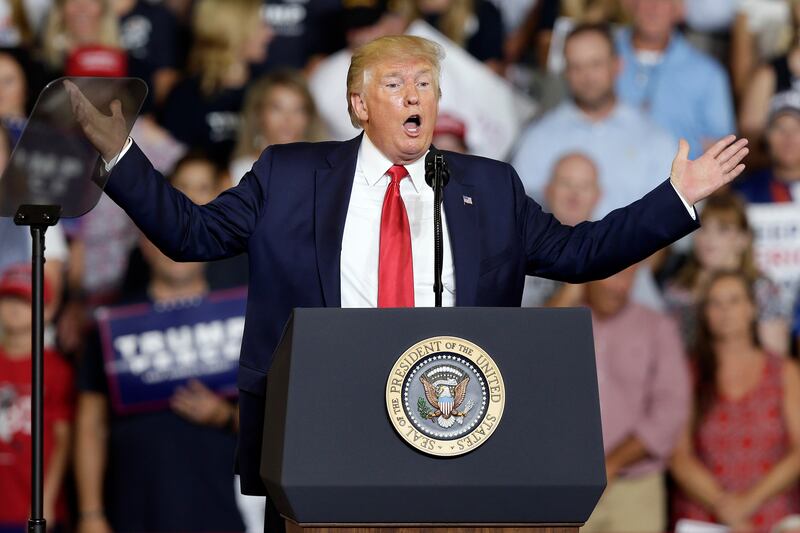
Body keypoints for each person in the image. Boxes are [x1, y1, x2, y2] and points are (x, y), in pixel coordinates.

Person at [65, 34, 749, 529]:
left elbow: (582, 252)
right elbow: (190, 235)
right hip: (321, 432)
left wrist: (675, 199)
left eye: (425, 83)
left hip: (452, 433)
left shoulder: (488, 187)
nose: (415, 95)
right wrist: (120, 155)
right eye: (395, 84)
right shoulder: (289, 176)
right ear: (359, 104)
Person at [73, 169, 248, 533]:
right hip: (131, 515)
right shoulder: (111, 323)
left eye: (181, 231)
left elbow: (279, 418)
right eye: (161, 232)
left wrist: (224, 416)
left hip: (220, 513)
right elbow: (90, 424)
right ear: (142, 240)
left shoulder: (244, 318)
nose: (171, 246)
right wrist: (90, 514)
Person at [671, 271, 800, 532]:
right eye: (715, 303)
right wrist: (725, 507)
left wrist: (748, 502)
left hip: (772, 514)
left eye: (734, 301)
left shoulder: (784, 372)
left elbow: (798, 452)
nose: (725, 312)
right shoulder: (689, 373)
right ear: (704, 313)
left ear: (751, 308)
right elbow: (678, 456)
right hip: (706, 514)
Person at [512, 22, 676, 218]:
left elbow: (669, 220)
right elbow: (518, 212)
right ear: (566, 72)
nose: (587, 76)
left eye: (595, 64)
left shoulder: (655, 139)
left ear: (618, 65)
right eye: (576, 67)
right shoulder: (538, 137)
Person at [582, 265, 690, 533]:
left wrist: (613, 462)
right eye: (611, 275)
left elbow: (671, 409)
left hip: (635, 487)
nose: (619, 287)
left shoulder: (658, 327)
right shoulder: (559, 319)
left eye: (628, 276)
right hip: (569, 485)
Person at [663, 192, 791, 355]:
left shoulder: (761, 289)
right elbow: (667, 353)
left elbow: (775, 357)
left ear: (743, 239)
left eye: (722, 229)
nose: (709, 238)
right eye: (703, 228)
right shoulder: (678, 290)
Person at [615, 0, 736, 161]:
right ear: (629, 3)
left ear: (679, 10)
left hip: (678, 175)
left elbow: (722, 149)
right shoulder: (598, 59)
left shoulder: (708, 73)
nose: (653, 8)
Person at [0, 265, 73, 530]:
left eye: (25, 301)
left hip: (33, 508)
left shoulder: (56, 369)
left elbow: (63, 440)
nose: (14, 308)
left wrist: (45, 501)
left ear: (47, 310)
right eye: (8, 298)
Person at [159, 0, 273, 166]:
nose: (270, 33)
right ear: (234, 30)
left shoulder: (268, 89)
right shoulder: (186, 97)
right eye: (261, 25)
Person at [230, 70, 325, 186]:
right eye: (277, 108)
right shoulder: (239, 173)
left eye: (298, 109)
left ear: (308, 117)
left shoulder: (324, 170)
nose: (288, 119)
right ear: (259, 113)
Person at [735, 91, 800, 203]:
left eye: (796, 129)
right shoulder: (745, 192)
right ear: (766, 136)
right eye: (780, 128)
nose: (788, 138)